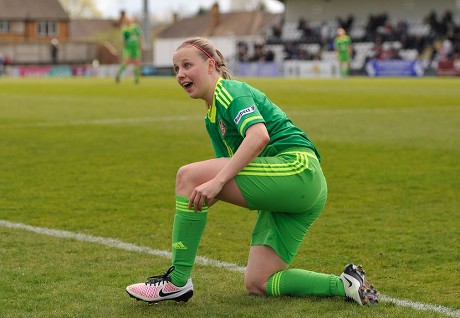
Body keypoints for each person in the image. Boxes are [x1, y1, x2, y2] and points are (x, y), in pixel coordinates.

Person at [125, 37, 378, 306]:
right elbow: (226, 165)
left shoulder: (228, 90)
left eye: (187, 65)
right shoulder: (211, 118)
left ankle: (176, 283)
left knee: (187, 176)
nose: (181, 74)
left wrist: (216, 183)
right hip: (296, 190)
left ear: (210, 65)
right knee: (259, 282)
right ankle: (345, 285)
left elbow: (258, 137)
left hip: (298, 170)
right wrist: (213, 187)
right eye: (176, 69)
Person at [115, 15, 143, 84]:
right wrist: (123, 47)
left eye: (129, 20)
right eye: (127, 20)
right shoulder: (124, 29)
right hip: (128, 48)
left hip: (135, 48)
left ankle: (137, 78)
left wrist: (141, 46)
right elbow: (123, 40)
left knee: (137, 63)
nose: (128, 21)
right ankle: (118, 74)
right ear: (125, 21)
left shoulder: (136, 27)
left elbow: (140, 37)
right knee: (126, 62)